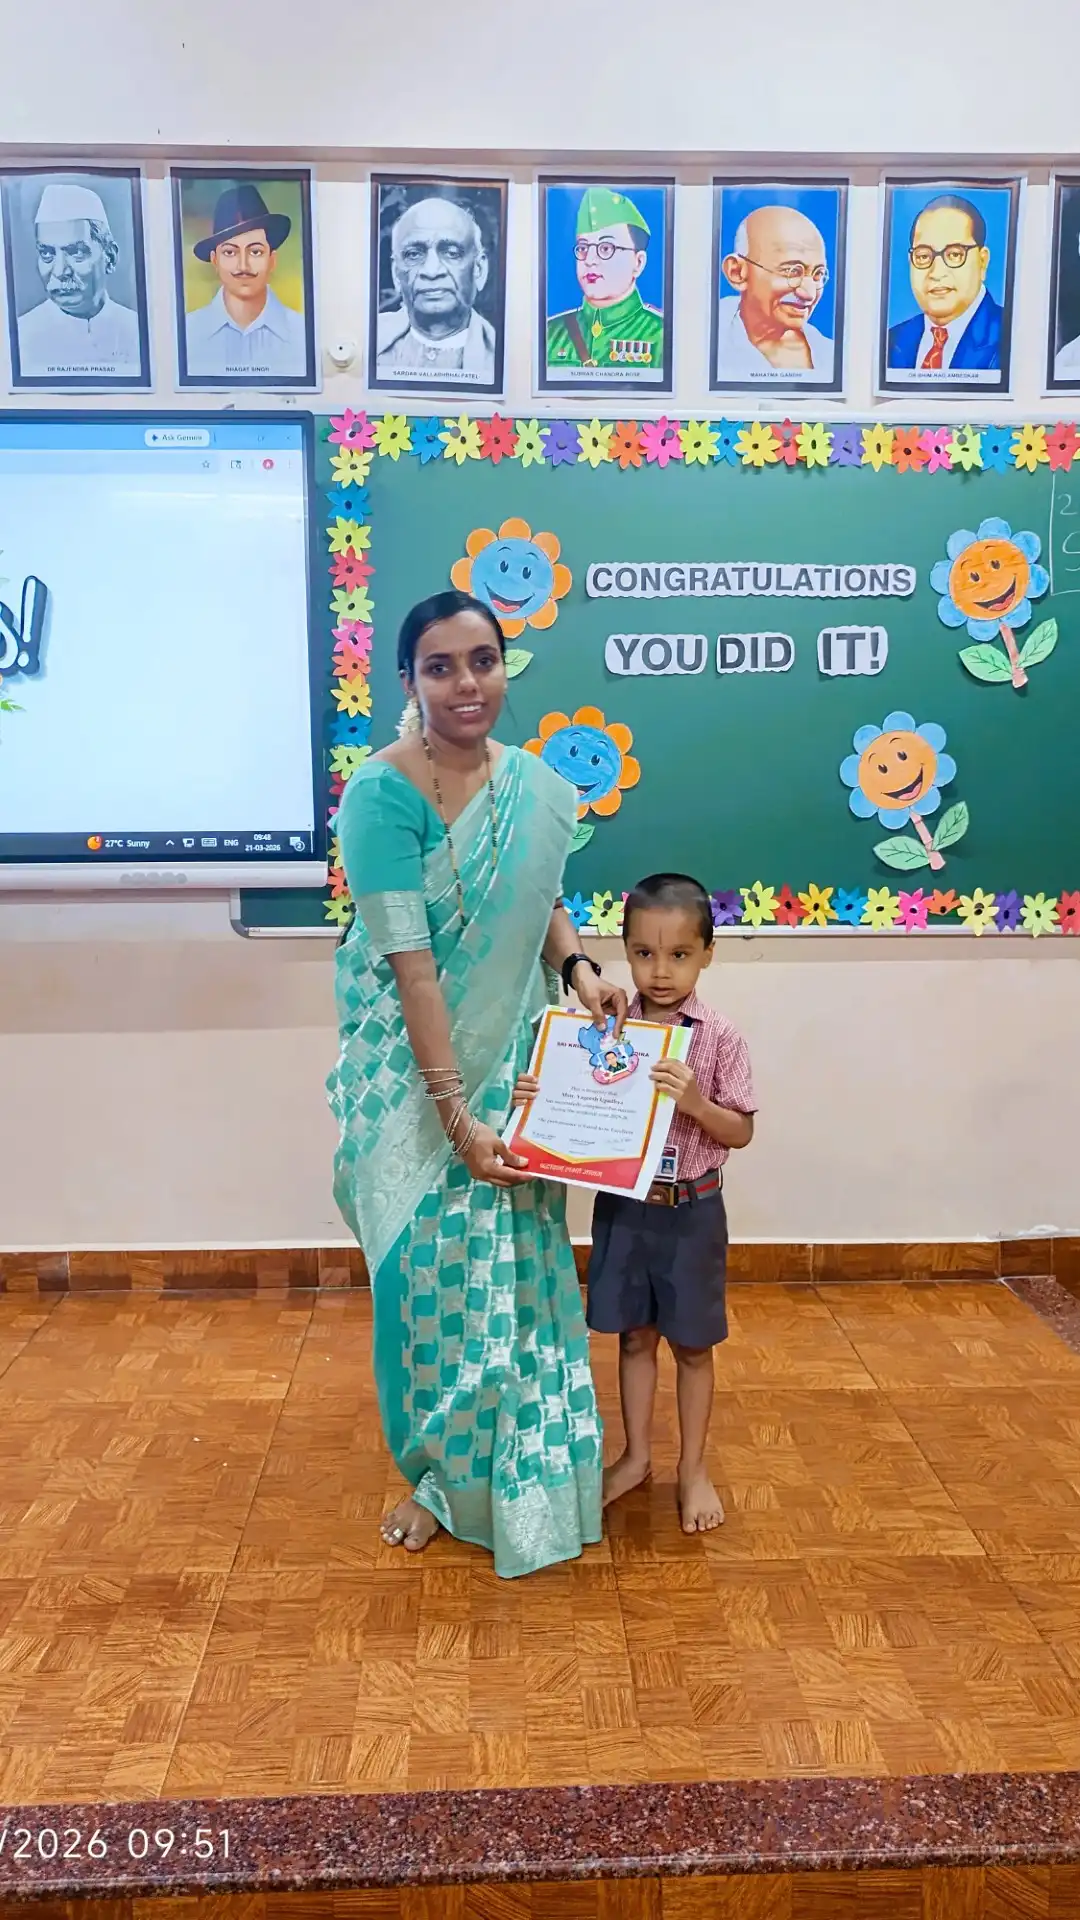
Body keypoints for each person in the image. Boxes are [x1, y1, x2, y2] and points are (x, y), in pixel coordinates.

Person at [328, 588, 628, 1578]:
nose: (468, 684)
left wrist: (581, 970)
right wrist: (452, 1116)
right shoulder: (382, 794)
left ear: (507, 668)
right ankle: (439, 1478)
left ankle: (529, 1470)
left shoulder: (533, 787)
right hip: (418, 1086)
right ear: (409, 680)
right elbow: (413, 966)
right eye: (443, 666)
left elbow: (539, 901)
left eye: (485, 661)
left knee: (515, 1273)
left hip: (516, 1070)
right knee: (430, 1286)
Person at [517, 874, 754, 1534]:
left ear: (707, 953)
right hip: (624, 1208)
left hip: (692, 1212)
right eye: (644, 954)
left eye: (679, 954)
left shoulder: (719, 1036)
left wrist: (698, 1104)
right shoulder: (604, 1028)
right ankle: (636, 1457)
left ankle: (694, 1469)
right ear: (623, 951)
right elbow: (570, 1105)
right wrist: (539, 1101)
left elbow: (742, 1129)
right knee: (632, 1337)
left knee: (695, 1346)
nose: (660, 971)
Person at [16, 182, 142, 378]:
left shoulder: (140, 332)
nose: (60, 271)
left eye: (76, 253)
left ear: (110, 257)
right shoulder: (18, 338)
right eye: (47, 253)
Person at [184, 183, 308, 380]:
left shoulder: (303, 334)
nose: (243, 265)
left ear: (272, 260)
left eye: (255, 251)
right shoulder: (187, 333)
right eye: (230, 252)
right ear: (215, 260)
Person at [546, 187, 665, 373]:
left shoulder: (660, 334)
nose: (590, 260)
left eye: (606, 248)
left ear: (638, 262)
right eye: (583, 247)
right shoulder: (550, 333)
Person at [376, 197, 496, 378]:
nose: (431, 271)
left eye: (451, 253)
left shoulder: (508, 357)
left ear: (479, 270)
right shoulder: (367, 340)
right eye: (414, 254)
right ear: (396, 274)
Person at [716, 203, 834, 378]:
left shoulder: (831, 357)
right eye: (792, 271)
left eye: (818, 275)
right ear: (737, 272)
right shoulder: (701, 342)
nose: (809, 294)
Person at [887, 194, 1001, 373]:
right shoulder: (890, 341)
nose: (937, 273)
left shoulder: (1011, 339)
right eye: (923, 256)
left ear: (982, 261)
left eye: (955, 254)